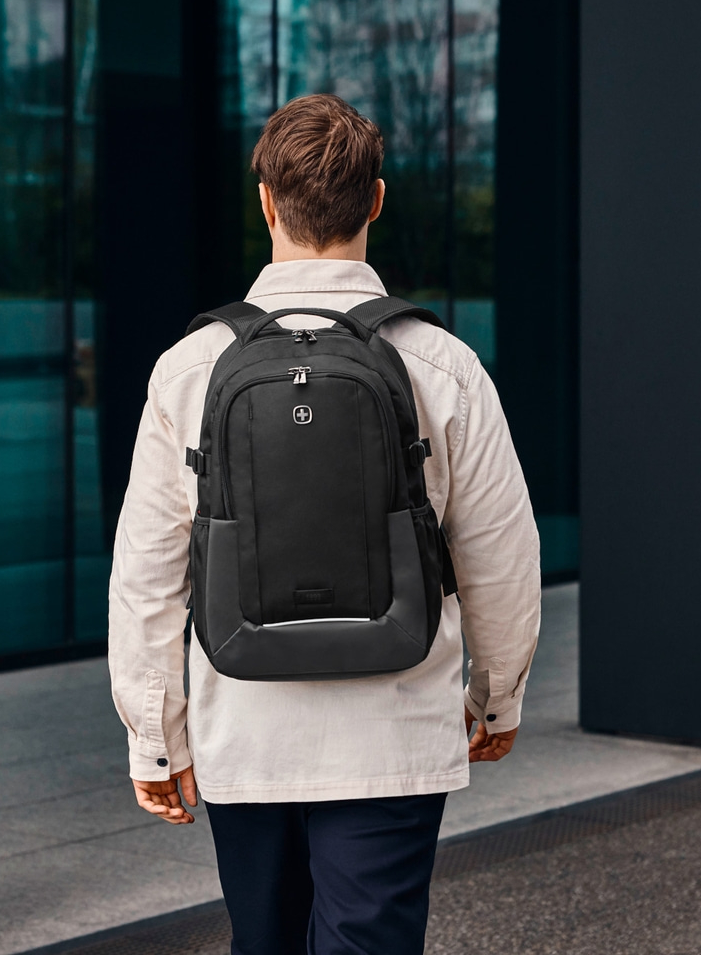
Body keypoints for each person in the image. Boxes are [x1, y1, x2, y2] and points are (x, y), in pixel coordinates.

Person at [109, 93, 540, 954]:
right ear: (376, 201)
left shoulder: (192, 366)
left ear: (265, 201)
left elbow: (151, 567)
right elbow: (498, 551)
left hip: (246, 722)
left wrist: (156, 735)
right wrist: (496, 696)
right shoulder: (442, 364)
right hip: (395, 720)